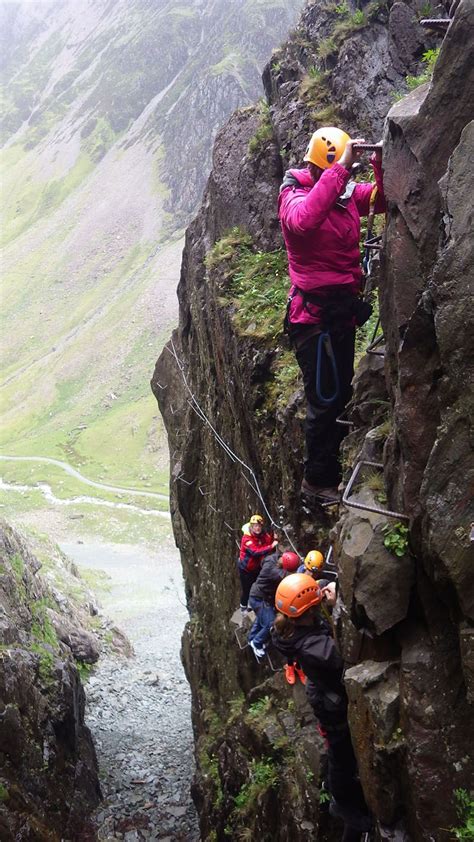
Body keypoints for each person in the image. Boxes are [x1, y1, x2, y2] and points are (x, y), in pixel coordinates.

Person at [278, 127, 386, 504]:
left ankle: (333, 470)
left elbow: (379, 200)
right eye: (334, 168)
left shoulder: (341, 195)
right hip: (312, 321)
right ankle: (316, 482)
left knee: (340, 393)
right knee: (324, 399)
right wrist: (341, 171)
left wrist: (379, 164)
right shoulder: (294, 194)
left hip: (340, 314)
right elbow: (304, 220)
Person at [272, 573, 371, 841]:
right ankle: (348, 809)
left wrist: (326, 608)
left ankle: (343, 798)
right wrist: (339, 608)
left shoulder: (293, 630)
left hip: (324, 695)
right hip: (333, 707)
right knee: (341, 757)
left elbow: (320, 632)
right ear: (311, 609)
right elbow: (348, 653)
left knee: (339, 754)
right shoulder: (315, 649)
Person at [247, 550, 300, 659]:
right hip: (259, 598)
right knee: (270, 623)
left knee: (260, 618)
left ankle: (252, 638)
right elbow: (287, 577)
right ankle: (256, 643)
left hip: (259, 596)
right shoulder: (273, 572)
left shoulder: (273, 558)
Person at [238, 514, 278, 611]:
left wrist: (274, 538)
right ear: (251, 527)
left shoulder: (262, 535)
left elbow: (268, 541)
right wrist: (271, 546)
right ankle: (243, 608)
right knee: (247, 590)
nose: (257, 528)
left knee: (257, 586)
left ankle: (253, 605)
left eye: (259, 526)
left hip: (256, 567)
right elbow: (255, 552)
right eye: (255, 526)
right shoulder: (247, 539)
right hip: (246, 569)